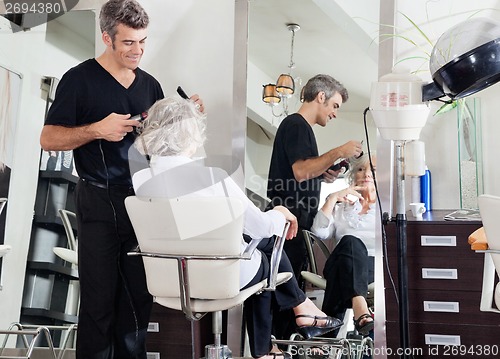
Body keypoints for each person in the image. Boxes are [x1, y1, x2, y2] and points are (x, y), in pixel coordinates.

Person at [39, 1, 203, 358]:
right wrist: (98, 129)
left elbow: (163, 144)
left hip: (143, 204)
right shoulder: (79, 80)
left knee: (137, 303)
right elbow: (49, 138)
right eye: (129, 42)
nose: (138, 50)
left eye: (143, 41)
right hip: (98, 200)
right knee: (99, 302)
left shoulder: (151, 85)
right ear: (107, 38)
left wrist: (184, 114)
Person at [131, 96, 343, 359]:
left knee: (260, 249)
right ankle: (287, 324)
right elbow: (263, 227)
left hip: (168, 278)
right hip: (219, 274)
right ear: (190, 133)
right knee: (267, 257)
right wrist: (279, 213)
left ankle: (290, 324)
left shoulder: (141, 182)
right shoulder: (211, 177)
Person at [266, 74, 363, 338]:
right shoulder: (296, 125)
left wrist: (323, 174)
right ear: (321, 97)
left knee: (288, 289)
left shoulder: (301, 129)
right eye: (335, 106)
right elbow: (299, 171)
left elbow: (302, 171)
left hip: (294, 222)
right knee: (282, 290)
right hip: (288, 221)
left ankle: (282, 347)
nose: (334, 114)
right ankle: (276, 347)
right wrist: (339, 151)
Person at [311, 152, 376, 336]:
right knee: (349, 242)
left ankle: (325, 339)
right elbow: (319, 232)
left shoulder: (385, 210)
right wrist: (332, 198)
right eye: (361, 169)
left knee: (343, 271)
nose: (366, 174)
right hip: (339, 263)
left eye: (374, 170)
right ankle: (361, 309)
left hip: (372, 268)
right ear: (353, 175)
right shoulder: (340, 208)